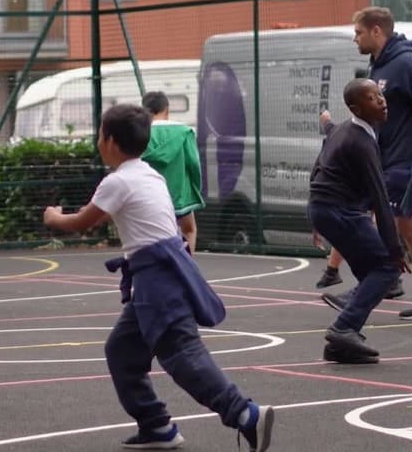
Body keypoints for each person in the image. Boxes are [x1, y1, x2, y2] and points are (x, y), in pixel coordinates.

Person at [43, 104, 274, 451]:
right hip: (158, 277)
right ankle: (157, 426)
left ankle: (243, 413)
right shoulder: (150, 174)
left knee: (181, 353)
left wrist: (53, 217)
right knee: (122, 351)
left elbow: (83, 222)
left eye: (99, 135)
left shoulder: (117, 181)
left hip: (157, 280)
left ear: (109, 141)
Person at [326, 6, 412, 320]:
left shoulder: (407, 65)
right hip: (389, 160)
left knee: (372, 215)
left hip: (408, 160)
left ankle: (374, 282)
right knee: (410, 226)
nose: (355, 39)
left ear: (377, 30)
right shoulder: (377, 68)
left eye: (358, 32)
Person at [309, 80, 409, 363]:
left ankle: (340, 346)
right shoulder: (362, 142)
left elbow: (319, 165)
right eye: (372, 97)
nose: (381, 100)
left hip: (326, 209)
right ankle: (344, 327)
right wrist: (395, 248)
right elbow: (380, 198)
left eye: (380, 95)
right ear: (356, 108)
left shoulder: (343, 130)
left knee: (371, 273)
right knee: (387, 269)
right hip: (341, 211)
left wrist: (314, 215)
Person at [140, 91, 204, 254]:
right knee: (188, 230)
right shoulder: (184, 132)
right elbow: (194, 164)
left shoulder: (140, 133)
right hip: (179, 196)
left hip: (149, 197)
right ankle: (186, 268)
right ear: (166, 109)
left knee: (150, 237)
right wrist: (194, 190)